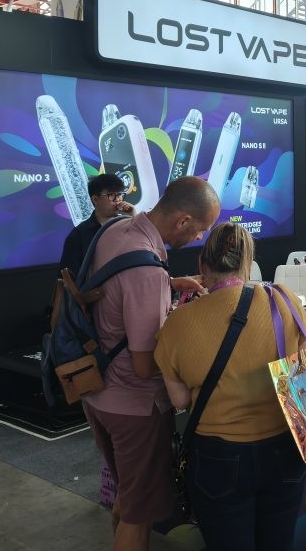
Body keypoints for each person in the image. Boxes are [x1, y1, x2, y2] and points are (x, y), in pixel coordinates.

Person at [82, 176, 219, 551]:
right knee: (138, 517)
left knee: (129, 497)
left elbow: (116, 288)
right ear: (182, 220)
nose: (198, 238)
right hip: (135, 408)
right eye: (200, 229)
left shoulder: (117, 231)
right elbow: (144, 366)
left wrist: (170, 284)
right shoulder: (148, 272)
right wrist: (191, 365)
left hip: (99, 394)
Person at [154, 223, 306, 551]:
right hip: (285, 448)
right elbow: (303, 370)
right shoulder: (284, 300)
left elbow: (179, 400)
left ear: (202, 264)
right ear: (248, 262)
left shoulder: (176, 324)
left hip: (218, 458)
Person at [59, 173, 135, 275]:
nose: (118, 200)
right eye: (112, 195)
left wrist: (134, 216)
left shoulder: (127, 225)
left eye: (119, 195)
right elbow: (68, 277)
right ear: (95, 199)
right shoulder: (79, 235)